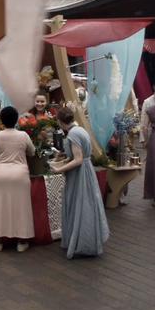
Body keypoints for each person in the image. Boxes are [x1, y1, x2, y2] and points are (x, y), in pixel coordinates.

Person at [52, 106, 109, 259]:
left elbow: (78, 160)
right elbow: (81, 155)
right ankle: (84, 239)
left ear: (60, 121)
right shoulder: (80, 129)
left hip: (79, 174)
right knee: (87, 204)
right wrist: (64, 156)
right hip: (87, 170)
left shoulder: (72, 134)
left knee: (80, 204)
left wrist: (59, 169)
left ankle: (81, 241)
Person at [0, 106, 36, 252]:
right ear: (16, 120)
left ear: (1, 120)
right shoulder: (24, 135)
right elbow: (32, 152)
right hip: (19, 175)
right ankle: (21, 242)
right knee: (21, 208)